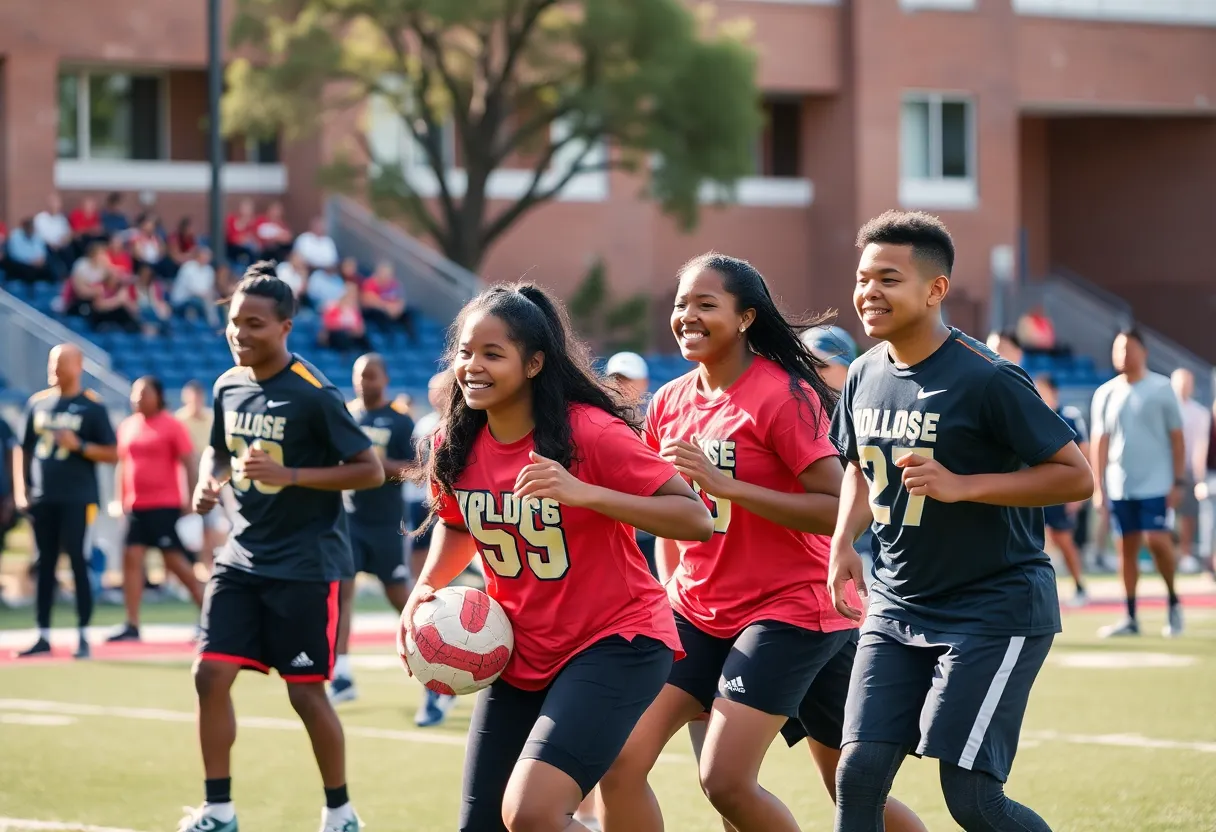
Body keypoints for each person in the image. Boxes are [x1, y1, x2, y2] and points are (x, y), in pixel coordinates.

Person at [598, 253, 921, 832]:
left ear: (746, 317)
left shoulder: (782, 396)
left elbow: (840, 509)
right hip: (699, 611)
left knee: (737, 781)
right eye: (680, 304)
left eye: (705, 304)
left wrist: (729, 486)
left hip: (793, 613)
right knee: (616, 762)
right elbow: (661, 503)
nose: (687, 316)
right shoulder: (670, 401)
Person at [400, 282, 712, 832]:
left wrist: (582, 491)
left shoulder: (588, 432)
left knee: (534, 813)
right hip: (520, 649)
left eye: (492, 354)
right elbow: (458, 523)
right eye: (465, 353)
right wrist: (424, 589)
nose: (472, 366)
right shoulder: (454, 443)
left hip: (615, 642)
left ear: (534, 363)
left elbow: (694, 518)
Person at [829, 211, 1093, 832]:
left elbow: (1075, 475)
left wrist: (965, 486)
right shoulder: (864, 373)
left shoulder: (988, 377)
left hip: (992, 606)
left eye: (888, 279)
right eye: (863, 279)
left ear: (935, 289)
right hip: (896, 605)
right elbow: (859, 467)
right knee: (858, 775)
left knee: (972, 796)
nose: (869, 293)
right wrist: (843, 540)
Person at [184, 263, 385, 832]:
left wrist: (290, 474)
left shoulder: (314, 393)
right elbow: (218, 449)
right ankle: (218, 810)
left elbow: (368, 471)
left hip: (304, 564)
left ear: (286, 327)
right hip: (241, 557)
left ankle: (341, 812)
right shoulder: (228, 384)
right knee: (208, 675)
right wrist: (208, 477)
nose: (240, 334)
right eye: (233, 322)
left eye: (254, 324)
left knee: (306, 694)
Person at [13, 344, 118, 659]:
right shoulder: (38, 404)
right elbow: (24, 448)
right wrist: (23, 490)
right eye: (51, 362)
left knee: (77, 562)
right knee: (44, 565)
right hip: (44, 499)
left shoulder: (91, 407)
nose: (52, 369)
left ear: (77, 366)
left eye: (59, 363)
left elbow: (112, 452)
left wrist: (80, 445)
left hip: (78, 499)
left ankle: (83, 635)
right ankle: (42, 634)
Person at [329, 353, 416, 705]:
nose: (364, 382)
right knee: (341, 593)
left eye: (371, 376)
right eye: (359, 376)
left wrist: (379, 465)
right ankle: (342, 674)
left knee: (400, 598)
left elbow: (415, 469)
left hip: (386, 523)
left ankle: (435, 659)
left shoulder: (399, 422)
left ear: (385, 379)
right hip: (350, 519)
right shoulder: (346, 415)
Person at [1090, 328, 1185, 639]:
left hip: (1156, 483)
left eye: (1128, 348)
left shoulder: (1162, 388)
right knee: (1126, 549)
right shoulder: (1105, 393)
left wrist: (1178, 481)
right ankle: (1131, 615)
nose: (1123, 355)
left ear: (1143, 351)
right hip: (1120, 485)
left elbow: (1177, 438)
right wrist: (1099, 486)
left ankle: (1172, 600)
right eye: (1118, 349)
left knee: (1157, 541)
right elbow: (1099, 442)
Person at [107, 376, 205, 642]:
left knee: (175, 563)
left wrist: (191, 500)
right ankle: (132, 624)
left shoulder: (172, 425)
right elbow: (123, 465)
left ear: (158, 396)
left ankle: (209, 618)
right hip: (135, 507)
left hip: (165, 505)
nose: (137, 398)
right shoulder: (127, 426)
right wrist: (120, 500)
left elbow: (189, 463)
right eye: (135, 393)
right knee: (131, 560)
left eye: (143, 393)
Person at [404, 369, 461, 728]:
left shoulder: (467, 425)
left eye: (438, 389)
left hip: (449, 507)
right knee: (419, 571)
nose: (433, 394)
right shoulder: (427, 425)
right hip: (426, 507)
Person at [1033, 374, 1090, 607]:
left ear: (1054, 392)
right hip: (1037, 488)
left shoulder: (1069, 416)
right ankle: (1041, 591)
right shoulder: (1034, 417)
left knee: (1063, 538)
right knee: (1035, 541)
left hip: (1061, 489)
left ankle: (1079, 585)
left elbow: (1084, 453)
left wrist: (1078, 493)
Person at [177, 380, 225, 570]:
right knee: (189, 531)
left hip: (211, 481)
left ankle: (209, 568)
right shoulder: (179, 421)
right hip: (186, 483)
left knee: (212, 528)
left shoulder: (212, 418)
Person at [1169, 369, 1209, 575]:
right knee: (1164, 514)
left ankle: (1185, 554)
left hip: (1189, 470)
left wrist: (1199, 475)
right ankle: (1166, 554)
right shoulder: (1166, 409)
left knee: (1188, 516)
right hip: (1166, 469)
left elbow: (1201, 445)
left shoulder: (1200, 413)